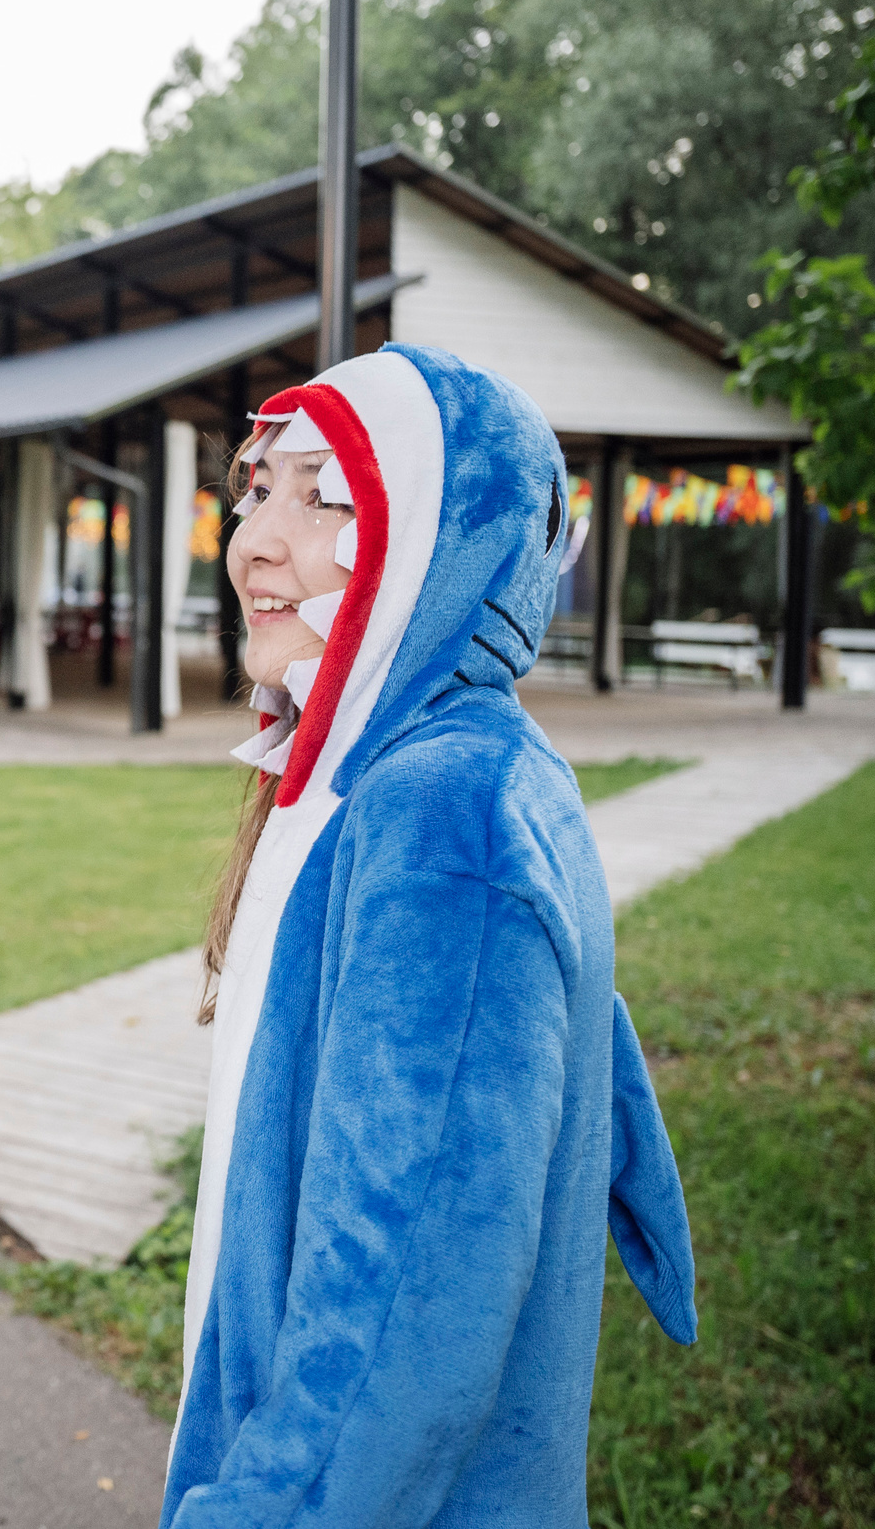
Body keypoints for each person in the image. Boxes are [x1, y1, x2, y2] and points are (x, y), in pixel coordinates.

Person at [160, 345, 698, 1526]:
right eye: (259, 487)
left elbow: (402, 1289)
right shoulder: (411, 771)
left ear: (450, 542)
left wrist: (256, 1506)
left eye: (328, 496)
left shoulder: (441, 810)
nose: (252, 538)